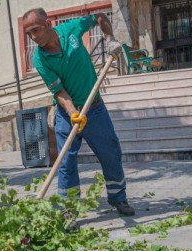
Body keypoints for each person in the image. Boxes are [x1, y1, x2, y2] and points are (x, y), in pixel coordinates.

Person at [23, 8, 135, 216]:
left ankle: (119, 198)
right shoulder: (40, 59)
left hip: (95, 110)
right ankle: (69, 210)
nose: (33, 37)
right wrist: (73, 112)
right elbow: (59, 91)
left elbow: (99, 17)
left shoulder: (71, 30)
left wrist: (109, 38)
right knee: (66, 163)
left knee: (111, 153)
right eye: (28, 34)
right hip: (67, 115)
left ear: (48, 24)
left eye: (35, 30)